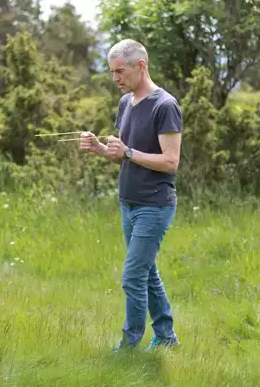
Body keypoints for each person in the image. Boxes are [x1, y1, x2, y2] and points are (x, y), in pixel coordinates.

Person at [80, 39, 183, 352]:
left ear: (141, 66)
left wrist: (129, 151)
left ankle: (129, 345)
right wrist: (101, 149)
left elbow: (170, 161)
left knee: (132, 275)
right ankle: (166, 336)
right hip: (128, 201)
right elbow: (123, 156)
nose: (115, 79)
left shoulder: (165, 106)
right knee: (146, 272)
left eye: (120, 71)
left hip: (155, 205)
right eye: (112, 72)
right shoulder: (125, 103)